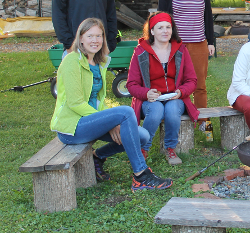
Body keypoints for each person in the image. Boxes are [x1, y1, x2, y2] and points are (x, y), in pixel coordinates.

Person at [50, 18, 172, 191]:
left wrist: (108, 121)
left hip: (91, 121)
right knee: (126, 112)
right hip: (72, 127)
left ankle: (98, 157)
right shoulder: (72, 61)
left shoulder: (98, 63)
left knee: (143, 136)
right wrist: (110, 123)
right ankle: (141, 175)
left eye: (99, 36)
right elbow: (75, 103)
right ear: (81, 38)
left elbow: (98, 101)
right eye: (90, 36)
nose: (95, 40)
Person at [126, 11, 199, 165]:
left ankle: (170, 148)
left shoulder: (181, 50)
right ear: (152, 31)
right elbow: (131, 84)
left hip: (175, 97)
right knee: (156, 109)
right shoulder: (141, 52)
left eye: (168, 27)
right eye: (160, 28)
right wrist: (146, 93)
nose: (165, 31)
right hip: (150, 100)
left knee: (172, 109)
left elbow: (192, 80)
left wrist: (181, 92)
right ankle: (142, 149)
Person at [158, 0, 215, 127]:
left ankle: (204, 124)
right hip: (176, 45)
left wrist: (211, 42)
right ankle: (177, 121)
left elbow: (208, 16)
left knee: (200, 84)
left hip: (199, 43)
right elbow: (161, 18)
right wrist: (161, 43)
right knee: (175, 84)